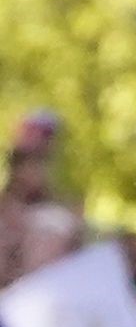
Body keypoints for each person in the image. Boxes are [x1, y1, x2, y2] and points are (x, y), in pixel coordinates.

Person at [2, 112, 85, 285]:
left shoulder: (59, 216)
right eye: (28, 163)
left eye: (42, 162)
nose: (34, 172)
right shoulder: (7, 209)